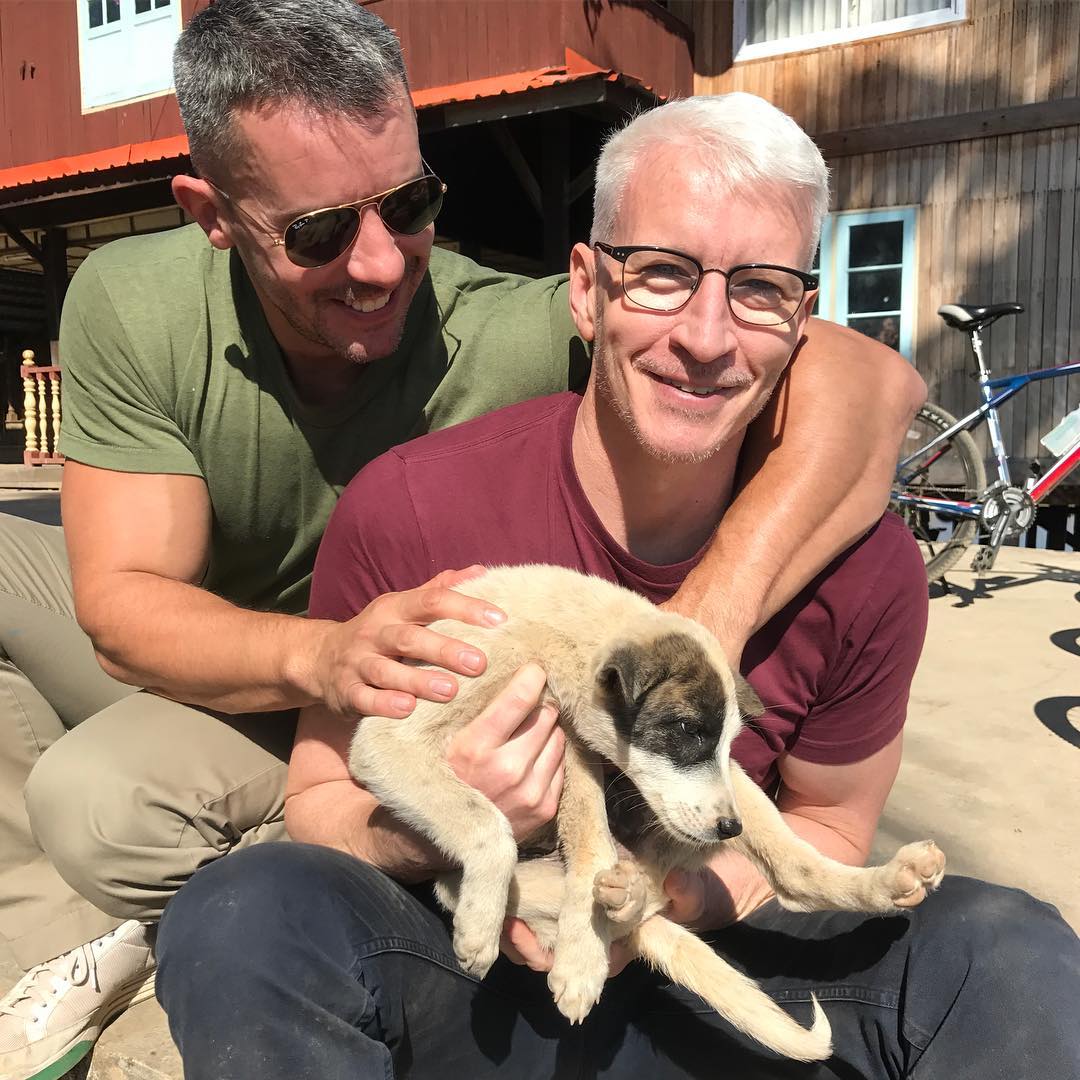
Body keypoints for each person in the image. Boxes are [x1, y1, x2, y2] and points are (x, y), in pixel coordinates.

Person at [0, 2, 926, 1077]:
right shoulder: (132, 298)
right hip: (268, 645)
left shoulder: (507, 320)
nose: (385, 263)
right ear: (211, 214)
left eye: (410, 203)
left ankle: (261, 887)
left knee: (97, 804)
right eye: (319, 231)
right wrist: (322, 653)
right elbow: (122, 610)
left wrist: (696, 624)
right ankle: (125, 930)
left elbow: (869, 383)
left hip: (402, 686)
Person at [155, 93, 1080, 1079]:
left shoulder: (868, 562)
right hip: (480, 983)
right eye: (663, 276)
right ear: (587, 290)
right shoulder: (410, 509)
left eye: (761, 289)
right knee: (244, 915)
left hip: (713, 961)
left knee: (1008, 949)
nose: (708, 335)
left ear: (802, 319)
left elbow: (830, 823)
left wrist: (658, 904)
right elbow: (323, 799)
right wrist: (461, 833)